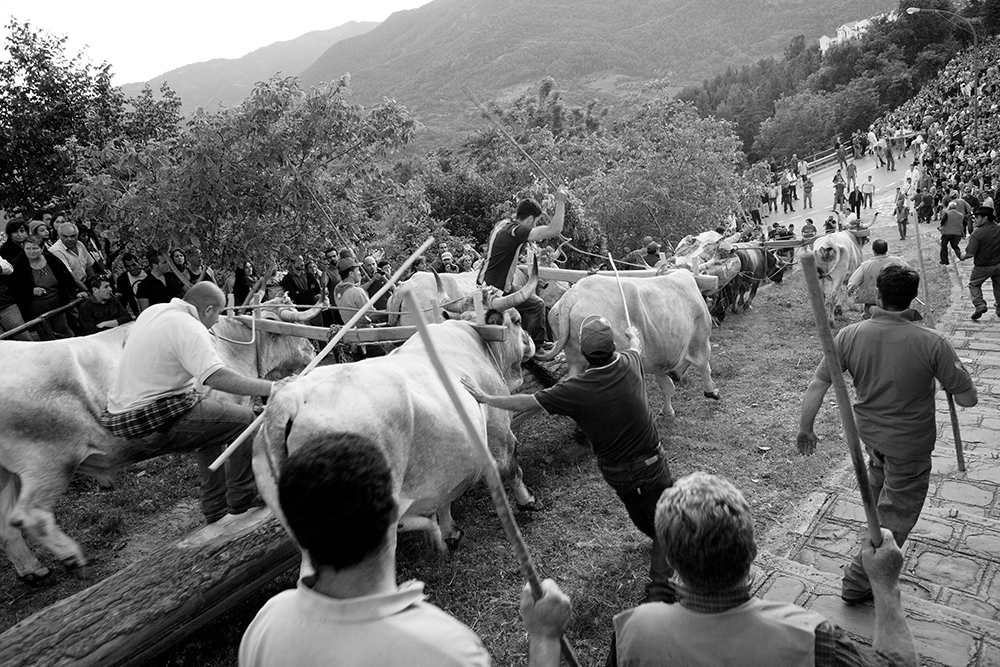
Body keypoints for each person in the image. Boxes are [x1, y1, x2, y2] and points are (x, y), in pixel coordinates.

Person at [238, 433, 571, 667]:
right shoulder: (446, 649)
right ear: (395, 512)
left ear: (296, 528)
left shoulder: (266, 625)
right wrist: (544, 638)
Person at [463, 317, 677, 603]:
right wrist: (633, 333)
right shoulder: (629, 363)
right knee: (667, 519)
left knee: (644, 517)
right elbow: (636, 347)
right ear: (614, 347)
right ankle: (660, 587)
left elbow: (526, 402)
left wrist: (485, 398)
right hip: (651, 464)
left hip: (615, 473)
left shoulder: (575, 390)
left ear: (584, 355)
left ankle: (665, 545)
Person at [608, 472, 918, 667]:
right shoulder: (811, 637)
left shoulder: (631, 632)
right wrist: (885, 584)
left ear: (672, 563)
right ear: (753, 551)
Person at [798, 265, 977, 603]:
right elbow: (968, 399)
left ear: (877, 295)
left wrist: (805, 428)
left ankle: (873, 535)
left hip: (872, 439)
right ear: (913, 299)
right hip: (909, 448)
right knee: (896, 515)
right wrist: (951, 375)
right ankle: (857, 582)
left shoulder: (850, 335)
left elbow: (819, 382)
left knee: (880, 493)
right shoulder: (933, 343)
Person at [102, 282, 273, 524]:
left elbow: (127, 345)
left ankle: (215, 509)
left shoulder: (154, 311)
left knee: (212, 426)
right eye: (218, 313)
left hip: (122, 415)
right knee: (246, 420)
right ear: (207, 310)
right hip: (151, 421)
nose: (217, 321)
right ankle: (243, 499)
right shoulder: (191, 328)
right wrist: (273, 387)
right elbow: (216, 377)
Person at [478, 189, 567, 348]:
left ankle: (531, 342)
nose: (535, 226)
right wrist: (560, 202)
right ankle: (535, 347)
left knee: (532, 303)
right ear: (530, 219)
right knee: (537, 305)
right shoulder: (516, 232)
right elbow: (554, 230)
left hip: (483, 284)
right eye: (536, 222)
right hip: (495, 291)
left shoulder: (503, 224)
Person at [14, 235, 84, 339]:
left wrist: (76, 291)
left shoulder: (50, 258)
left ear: (42, 249)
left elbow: (65, 277)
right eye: (28, 249)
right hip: (35, 309)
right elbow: (15, 286)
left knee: (63, 330)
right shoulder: (18, 263)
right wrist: (31, 290)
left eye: (35, 248)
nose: (31, 252)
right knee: (46, 335)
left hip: (56, 304)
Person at [846, 239, 908, 319]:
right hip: (895, 300)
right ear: (886, 249)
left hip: (872, 302)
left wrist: (850, 290)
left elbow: (853, 283)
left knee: (870, 321)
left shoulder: (865, 266)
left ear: (873, 251)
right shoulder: (899, 261)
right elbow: (911, 274)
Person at [959, 206, 1000, 320]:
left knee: (974, 284)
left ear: (985, 218)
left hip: (982, 266)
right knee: (998, 287)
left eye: (977, 217)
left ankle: (980, 305)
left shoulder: (977, 234)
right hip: (998, 264)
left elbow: (970, 253)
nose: (974, 220)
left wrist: (962, 256)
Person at [48, 222, 96, 292]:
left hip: (86, 282)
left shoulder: (79, 245)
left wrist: (94, 283)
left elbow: (89, 265)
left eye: (72, 236)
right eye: (65, 236)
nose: (69, 239)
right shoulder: (56, 251)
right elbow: (71, 275)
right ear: (59, 236)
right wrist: (87, 291)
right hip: (72, 289)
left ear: (77, 235)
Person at [280, 255, 322, 326]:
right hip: (300, 310)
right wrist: (310, 294)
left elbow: (317, 289)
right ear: (292, 264)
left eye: (302, 261)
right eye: (299, 261)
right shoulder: (287, 279)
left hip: (314, 307)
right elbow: (294, 296)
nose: (302, 263)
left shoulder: (309, 274)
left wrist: (301, 292)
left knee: (320, 327)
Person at [115, 252, 147, 317]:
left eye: (134, 265)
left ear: (138, 263)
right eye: (128, 266)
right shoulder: (122, 279)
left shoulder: (147, 273)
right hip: (138, 312)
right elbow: (123, 301)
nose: (132, 268)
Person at [939, 201, 966, 266]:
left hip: (947, 232)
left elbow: (942, 222)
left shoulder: (947, 214)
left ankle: (944, 260)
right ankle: (960, 256)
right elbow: (965, 223)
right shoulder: (961, 215)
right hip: (957, 233)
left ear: (949, 207)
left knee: (944, 246)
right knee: (955, 246)